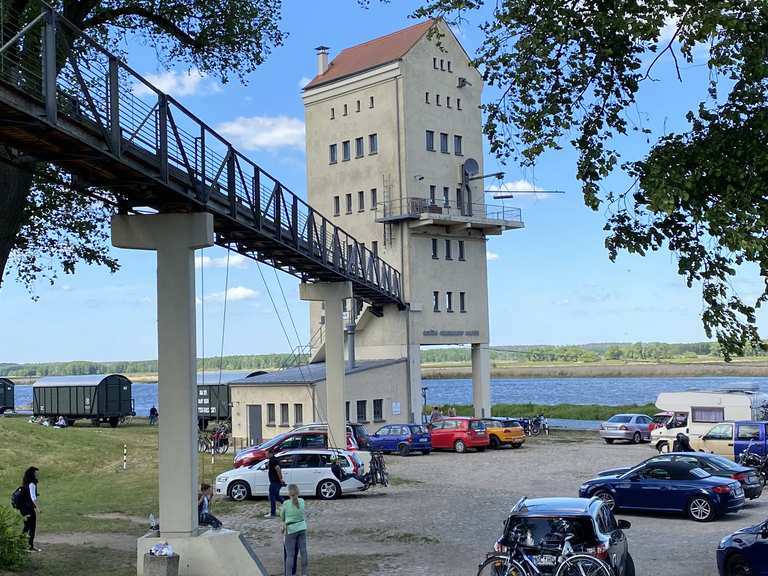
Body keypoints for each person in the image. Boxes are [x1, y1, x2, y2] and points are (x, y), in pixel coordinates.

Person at [280, 484, 308, 576]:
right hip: (302, 528)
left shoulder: (286, 503)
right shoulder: (302, 501)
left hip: (291, 530)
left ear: (289, 493)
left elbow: (282, 516)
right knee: (303, 552)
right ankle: (304, 573)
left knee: (290, 555)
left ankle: (289, 574)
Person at [19, 466, 41, 552]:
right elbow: (33, 498)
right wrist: (38, 508)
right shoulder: (32, 484)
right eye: (35, 473)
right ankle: (29, 546)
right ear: (32, 474)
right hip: (28, 508)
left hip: (24, 508)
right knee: (31, 527)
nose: (37, 474)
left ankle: (21, 545)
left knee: (27, 526)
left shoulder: (25, 483)